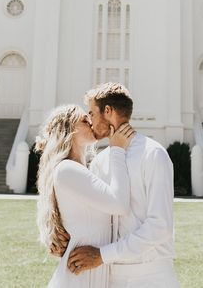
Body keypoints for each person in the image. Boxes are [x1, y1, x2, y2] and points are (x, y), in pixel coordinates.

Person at [66, 83, 180, 288]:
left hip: (153, 276)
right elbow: (92, 216)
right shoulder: (101, 161)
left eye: (91, 113)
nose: (89, 121)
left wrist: (103, 255)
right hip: (111, 275)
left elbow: (160, 226)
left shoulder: (153, 154)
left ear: (108, 111)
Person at [36, 103, 135, 287]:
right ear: (68, 130)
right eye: (84, 119)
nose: (91, 122)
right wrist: (117, 150)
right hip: (79, 277)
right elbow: (119, 204)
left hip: (91, 273)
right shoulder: (67, 169)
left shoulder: (82, 171)